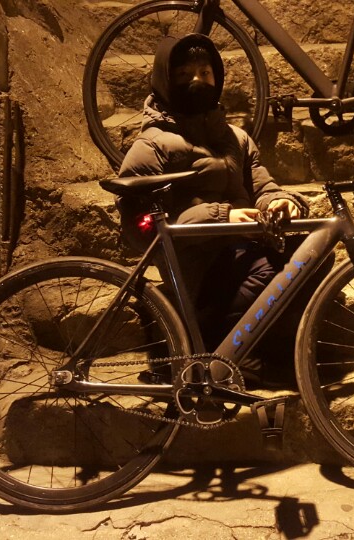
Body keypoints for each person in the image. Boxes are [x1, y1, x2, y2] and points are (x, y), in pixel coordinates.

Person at [116, 33, 311, 384]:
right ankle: (210, 349)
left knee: (311, 253)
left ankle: (253, 351)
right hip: (196, 268)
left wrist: (278, 201)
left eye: (205, 73)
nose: (197, 81)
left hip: (241, 250)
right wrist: (220, 216)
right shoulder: (152, 146)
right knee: (270, 271)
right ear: (165, 81)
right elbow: (138, 227)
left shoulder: (236, 138)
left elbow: (262, 185)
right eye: (183, 75)